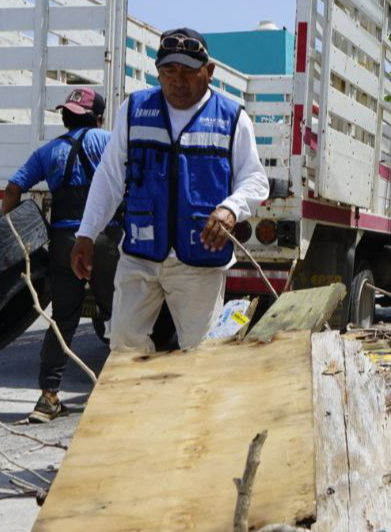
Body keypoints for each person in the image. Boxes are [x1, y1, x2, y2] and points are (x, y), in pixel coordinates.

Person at [70, 28, 269, 352]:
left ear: (209, 71)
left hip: (200, 260)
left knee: (201, 352)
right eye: (168, 71)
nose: (178, 80)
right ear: (157, 71)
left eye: (189, 71)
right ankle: (135, 403)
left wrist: (231, 208)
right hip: (141, 255)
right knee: (123, 344)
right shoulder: (134, 111)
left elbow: (255, 179)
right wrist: (86, 234)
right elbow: (109, 177)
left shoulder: (232, 119)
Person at [1, 87, 112, 423]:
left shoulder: (47, 152)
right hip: (103, 240)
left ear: (65, 117)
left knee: (63, 318)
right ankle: (122, 394)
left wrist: (4, 235)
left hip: (62, 242)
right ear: (98, 117)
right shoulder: (107, 141)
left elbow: (13, 188)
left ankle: (48, 398)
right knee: (120, 316)